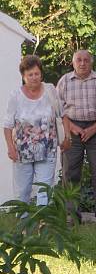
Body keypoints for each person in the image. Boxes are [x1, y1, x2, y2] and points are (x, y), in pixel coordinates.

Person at [3, 55, 70, 204]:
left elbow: (63, 115)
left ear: (41, 73)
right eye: (30, 74)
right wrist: (10, 148)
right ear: (23, 76)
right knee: (22, 191)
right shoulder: (16, 96)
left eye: (37, 73)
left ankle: (43, 224)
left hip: (47, 150)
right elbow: (7, 126)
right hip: (22, 151)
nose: (34, 77)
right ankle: (23, 225)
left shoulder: (50, 90)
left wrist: (67, 137)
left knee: (45, 190)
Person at [56, 49, 96, 220]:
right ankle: (71, 214)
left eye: (86, 60)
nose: (82, 63)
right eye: (79, 60)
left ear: (91, 62)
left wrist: (95, 127)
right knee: (70, 173)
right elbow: (58, 109)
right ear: (73, 63)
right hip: (71, 129)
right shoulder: (65, 81)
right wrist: (73, 128)